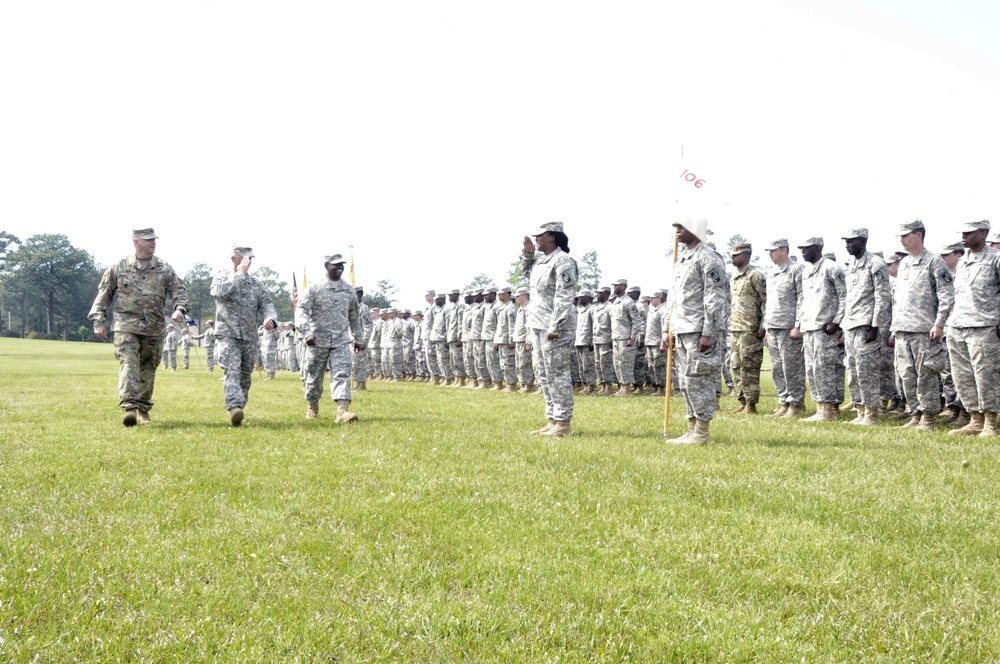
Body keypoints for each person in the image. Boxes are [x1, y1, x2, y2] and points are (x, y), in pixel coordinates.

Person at [88, 228, 188, 426]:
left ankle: (143, 409)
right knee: (129, 363)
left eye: (154, 239)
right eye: (148, 239)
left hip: (154, 327)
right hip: (126, 326)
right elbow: (104, 294)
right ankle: (129, 407)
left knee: (149, 367)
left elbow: (179, 290)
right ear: (136, 242)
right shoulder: (119, 266)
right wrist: (98, 321)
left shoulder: (164, 268)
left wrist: (180, 309)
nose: (153, 243)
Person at [664, 218, 727, 444]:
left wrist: (709, 331)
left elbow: (715, 297)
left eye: (682, 227)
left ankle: (702, 431)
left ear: (696, 229)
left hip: (699, 329)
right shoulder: (681, 260)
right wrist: (667, 328)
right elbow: (673, 298)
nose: (677, 232)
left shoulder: (708, 258)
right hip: (682, 328)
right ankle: (691, 428)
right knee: (685, 381)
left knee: (699, 379)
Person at [891, 221, 954, 430]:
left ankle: (928, 416)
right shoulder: (905, 264)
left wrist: (939, 323)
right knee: (907, 374)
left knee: (926, 374)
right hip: (902, 328)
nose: (901, 239)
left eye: (905, 235)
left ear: (918, 235)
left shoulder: (934, 262)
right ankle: (915, 413)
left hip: (924, 329)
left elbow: (946, 295)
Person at [520, 222, 578, 437]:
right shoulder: (541, 262)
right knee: (543, 374)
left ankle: (563, 423)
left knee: (558, 374)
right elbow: (527, 273)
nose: (536, 239)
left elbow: (565, 296)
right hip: (538, 324)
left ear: (553, 237)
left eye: (540, 236)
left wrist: (556, 325)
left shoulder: (563, 261)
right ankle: (552, 419)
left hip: (555, 327)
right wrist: (528, 254)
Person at [210, 244, 278, 426]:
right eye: (246, 258)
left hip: (249, 336)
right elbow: (219, 293)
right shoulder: (222, 277)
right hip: (227, 334)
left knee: (245, 376)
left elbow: (267, 304)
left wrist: (270, 318)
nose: (249, 262)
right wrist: (239, 274)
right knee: (231, 369)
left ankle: (239, 408)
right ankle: (234, 406)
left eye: (250, 259)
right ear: (235, 259)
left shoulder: (256, 284)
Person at [297, 253, 367, 423]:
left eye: (341, 264)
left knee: (342, 373)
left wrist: (359, 338)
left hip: (341, 340)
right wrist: (306, 332)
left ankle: (342, 411)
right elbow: (301, 310)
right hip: (317, 340)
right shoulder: (314, 288)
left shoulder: (348, 289)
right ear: (326, 266)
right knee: (313, 376)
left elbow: (354, 316)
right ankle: (313, 407)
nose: (340, 268)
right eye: (335, 265)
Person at [946, 220, 1000, 436]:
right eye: (963, 233)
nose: (964, 236)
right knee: (963, 375)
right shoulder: (963, 260)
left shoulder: (995, 259)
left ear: (983, 233)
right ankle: (975, 418)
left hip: (983, 325)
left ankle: (991, 423)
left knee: (986, 374)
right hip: (958, 325)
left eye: (969, 233)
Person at [842, 229, 891, 426]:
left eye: (851, 242)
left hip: (866, 325)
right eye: (846, 242)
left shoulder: (875, 264)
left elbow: (882, 296)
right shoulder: (852, 265)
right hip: (850, 324)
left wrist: (876, 326)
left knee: (867, 371)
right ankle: (860, 410)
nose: (847, 245)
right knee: (853, 370)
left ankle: (872, 413)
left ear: (863, 241)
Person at [796, 238, 847, 422]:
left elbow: (844, 296)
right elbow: (803, 300)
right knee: (812, 368)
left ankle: (828, 409)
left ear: (817, 248)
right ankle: (820, 407)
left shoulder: (831, 268)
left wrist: (837, 321)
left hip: (825, 328)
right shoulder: (806, 271)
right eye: (801, 249)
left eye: (806, 248)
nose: (803, 252)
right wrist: (800, 323)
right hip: (809, 327)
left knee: (825, 367)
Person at [763, 239, 806, 417]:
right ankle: (784, 401)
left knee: (792, 367)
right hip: (773, 326)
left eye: (773, 250)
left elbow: (803, 298)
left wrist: (798, 325)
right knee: (777, 367)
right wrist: (766, 325)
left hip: (788, 327)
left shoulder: (796, 269)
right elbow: (769, 302)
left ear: (784, 250)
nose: (770, 254)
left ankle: (795, 403)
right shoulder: (772, 272)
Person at [728, 243, 767, 414]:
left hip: (750, 329)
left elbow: (766, 302)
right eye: (732, 255)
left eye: (736, 255)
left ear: (746, 256)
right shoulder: (734, 278)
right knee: (735, 366)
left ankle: (751, 404)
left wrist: (763, 325)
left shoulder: (755, 276)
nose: (733, 258)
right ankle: (742, 401)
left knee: (749, 366)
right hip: (736, 328)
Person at [610, 279, 641, 396]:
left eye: (616, 286)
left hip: (625, 338)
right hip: (616, 337)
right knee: (617, 362)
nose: (614, 288)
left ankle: (627, 388)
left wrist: (632, 338)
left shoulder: (629, 302)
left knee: (625, 362)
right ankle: (622, 386)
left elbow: (636, 321)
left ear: (623, 287)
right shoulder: (616, 302)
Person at [513, 287, 536, 392]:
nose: (516, 298)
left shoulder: (529, 308)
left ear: (523, 296)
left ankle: (528, 385)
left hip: (524, 340)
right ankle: (523, 384)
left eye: (517, 296)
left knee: (525, 364)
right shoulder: (521, 308)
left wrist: (529, 341)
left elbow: (530, 327)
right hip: (519, 339)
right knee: (519, 364)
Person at [591, 286, 614, 395]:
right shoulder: (596, 308)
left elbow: (614, 324)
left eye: (600, 293)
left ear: (606, 294)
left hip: (606, 339)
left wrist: (612, 338)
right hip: (596, 339)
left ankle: (608, 386)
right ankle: (602, 385)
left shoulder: (610, 307)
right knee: (597, 363)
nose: (598, 295)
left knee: (606, 363)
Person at [574, 289, 597, 394]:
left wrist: (592, 341)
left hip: (587, 342)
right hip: (579, 340)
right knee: (581, 366)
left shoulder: (592, 309)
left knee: (588, 365)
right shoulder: (579, 310)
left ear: (588, 298)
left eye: (581, 297)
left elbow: (595, 326)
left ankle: (591, 385)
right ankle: (585, 384)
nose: (579, 299)